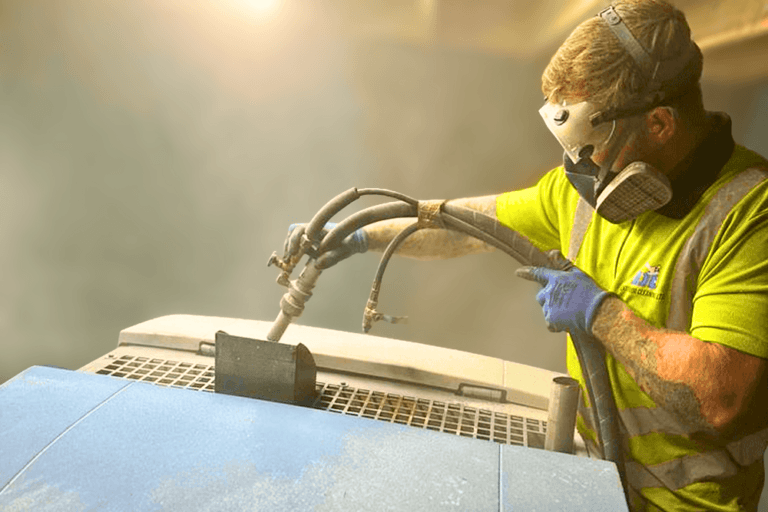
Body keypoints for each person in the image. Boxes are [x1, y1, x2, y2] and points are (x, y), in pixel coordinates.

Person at [283, 1, 768, 510]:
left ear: (660, 124)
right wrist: (361, 233)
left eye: (592, 141)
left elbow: (720, 396)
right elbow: (464, 227)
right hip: (599, 480)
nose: (579, 163)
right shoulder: (579, 194)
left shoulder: (747, 211)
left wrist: (600, 314)